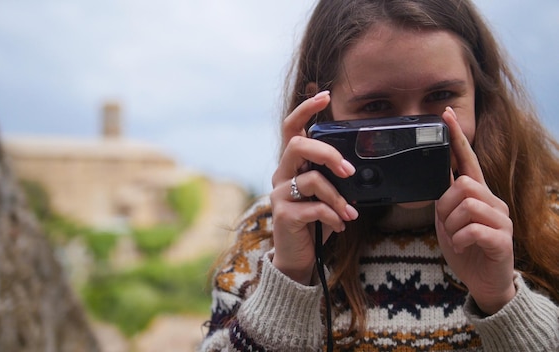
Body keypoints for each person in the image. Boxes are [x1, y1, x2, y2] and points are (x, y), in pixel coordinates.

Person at [199, 0, 559, 350]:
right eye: (376, 106)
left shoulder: (548, 220)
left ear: (480, 96)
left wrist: (503, 300)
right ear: (320, 110)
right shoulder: (267, 232)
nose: (413, 132)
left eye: (442, 95)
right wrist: (290, 276)